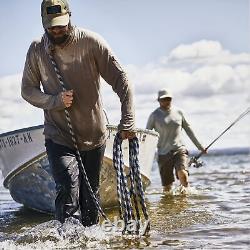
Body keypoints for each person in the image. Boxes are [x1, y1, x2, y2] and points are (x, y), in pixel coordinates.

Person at [21, 0, 135, 227]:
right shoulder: (37, 49)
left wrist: (128, 121)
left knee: (90, 196)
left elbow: (122, 81)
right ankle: (65, 240)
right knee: (68, 188)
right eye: (51, 26)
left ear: (70, 17)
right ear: (43, 23)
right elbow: (27, 90)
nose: (57, 30)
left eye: (61, 25)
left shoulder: (92, 42)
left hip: (94, 136)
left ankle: (90, 240)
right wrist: (54, 101)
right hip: (58, 135)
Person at [146, 89, 206, 191]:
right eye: (164, 99)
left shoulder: (179, 112)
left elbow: (189, 130)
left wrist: (200, 147)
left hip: (179, 150)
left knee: (183, 175)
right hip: (163, 154)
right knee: (167, 187)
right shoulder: (154, 115)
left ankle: (185, 202)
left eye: (169, 99)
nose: (166, 101)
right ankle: (170, 205)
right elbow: (147, 135)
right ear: (159, 100)